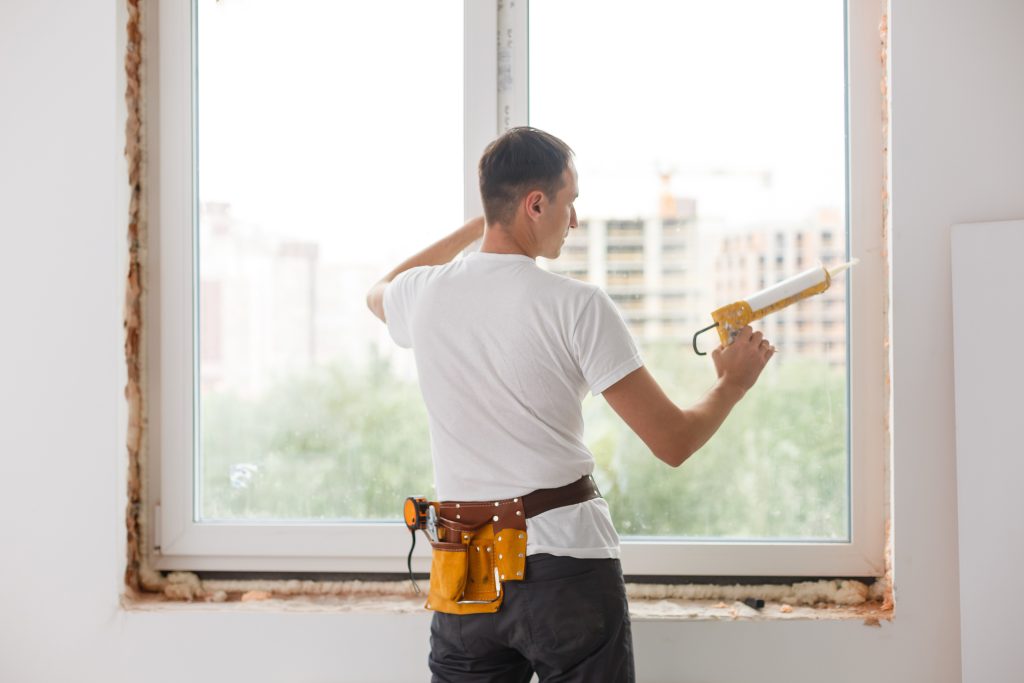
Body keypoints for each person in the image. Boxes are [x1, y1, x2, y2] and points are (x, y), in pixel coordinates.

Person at [367, 127, 774, 683]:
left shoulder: (424, 295)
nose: (574, 219)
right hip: (565, 567)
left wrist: (484, 222)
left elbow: (380, 288)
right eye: (570, 201)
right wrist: (732, 384)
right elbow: (673, 442)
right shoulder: (577, 305)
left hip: (464, 567)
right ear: (536, 204)